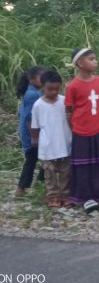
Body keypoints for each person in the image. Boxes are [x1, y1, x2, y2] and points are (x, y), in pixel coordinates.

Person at [65, 48, 99, 212]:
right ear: (80, 63)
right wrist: (74, 128)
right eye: (91, 59)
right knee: (85, 165)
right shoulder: (73, 86)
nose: (95, 61)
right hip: (82, 130)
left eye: (95, 58)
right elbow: (69, 110)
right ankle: (87, 198)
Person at [30, 70, 71, 208]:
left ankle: (66, 195)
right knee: (50, 173)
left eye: (56, 89)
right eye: (50, 89)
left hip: (65, 143)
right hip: (47, 146)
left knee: (66, 172)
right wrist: (34, 139)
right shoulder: (38, 105)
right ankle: (53, 196)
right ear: (42, 87)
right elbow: (34, 126)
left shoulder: (64, 101)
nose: (53, 92)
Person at [15, 66, 46, 197]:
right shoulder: (33, 95)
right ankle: (24, 188)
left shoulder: (32, 92)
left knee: (37, 160)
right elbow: (29, 117)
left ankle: (37, 185)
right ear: (31, 79)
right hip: (32, 134)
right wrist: (35, 137)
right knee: (38, 159)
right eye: (41, 77)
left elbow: (20, 113)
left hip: (30, 133)